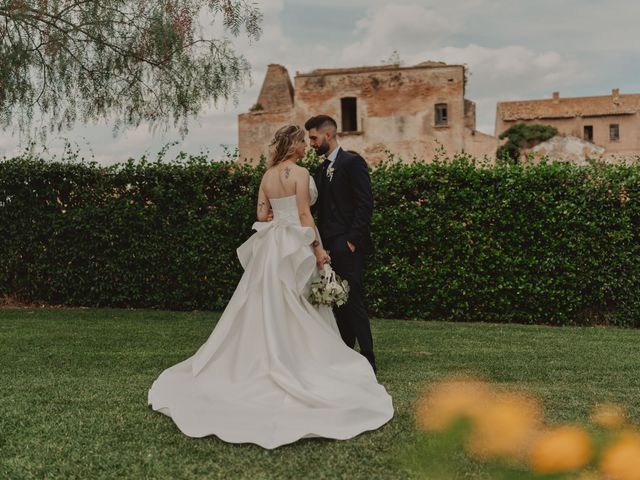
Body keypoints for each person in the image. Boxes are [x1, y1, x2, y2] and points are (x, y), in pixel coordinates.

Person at [147, 125, 393, 449]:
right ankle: (301, 361)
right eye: (303, 141)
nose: (307, 146)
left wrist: (278, 216)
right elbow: (305, 214)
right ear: (293, 145)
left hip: (271, 246)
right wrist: (319, 251)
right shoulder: (302, 172)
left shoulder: (266, 176)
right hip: (295, 243)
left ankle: (263, 359)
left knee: (267, 301)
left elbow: (261, 215)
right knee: (299, 302)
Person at [305, 115, 377, 373]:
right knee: (337, 301)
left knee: (354, 299)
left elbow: (365, 202)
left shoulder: (352, 162)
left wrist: (352, 241)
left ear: (328, 135)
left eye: (314, 137)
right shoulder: (321, 169)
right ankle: (346, 352)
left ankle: (368, 357)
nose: (311, 143)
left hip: (347, 244)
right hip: (326, 246)